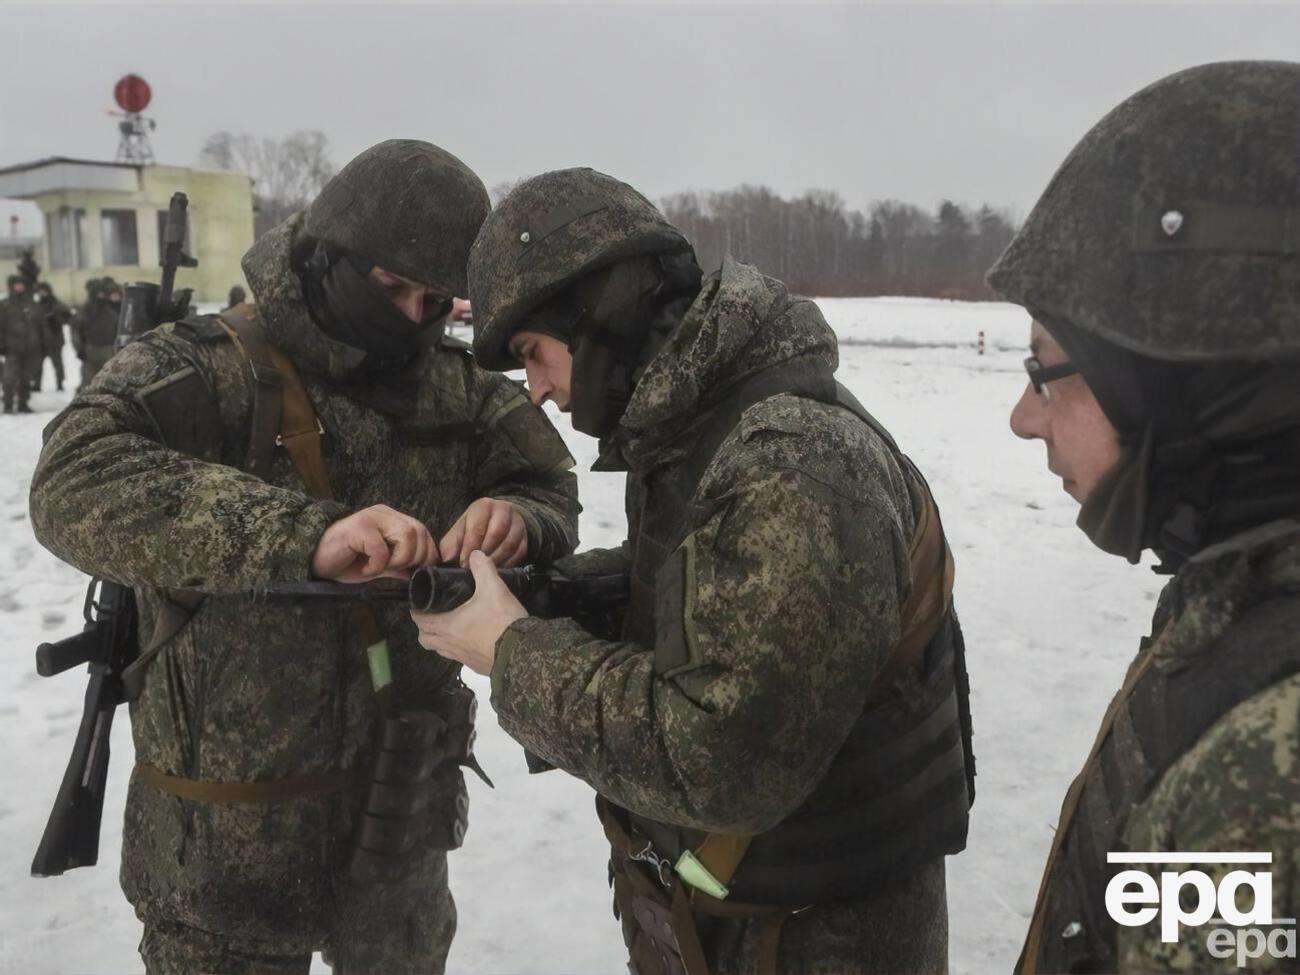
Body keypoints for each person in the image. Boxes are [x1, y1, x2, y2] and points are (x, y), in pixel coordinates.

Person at [29, 139, 580, 974]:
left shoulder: (453, 387)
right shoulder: (202, 366)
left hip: (397, 832)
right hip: (223, 856)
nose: (408, 315)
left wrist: (518, 519)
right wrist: (300, 537)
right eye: (390, 286)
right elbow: (72, 480)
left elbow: (547, 483)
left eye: (434, 300)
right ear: (328, 255)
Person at [413, 168, 975, 974]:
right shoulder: (702, 425)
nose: (535, 391)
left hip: (811, 942)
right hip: (733, 921)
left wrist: (512, 650)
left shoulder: (793, 465)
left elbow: (721, 761)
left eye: (535, 354)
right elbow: (716, 582)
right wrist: (557, 596)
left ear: (600, 313)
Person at [989, 61, 1300, 973]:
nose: (1023, 415)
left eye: (1048, 369)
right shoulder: (1240, 601)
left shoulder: (1270, 778)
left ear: (1188, 378)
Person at [69, 276, 121, 389]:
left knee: (109, 385)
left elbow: (117, 330)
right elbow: (77, 332)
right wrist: (80, 349)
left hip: (109, 351)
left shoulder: (111, 312)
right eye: (98, 293)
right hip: (91, 352)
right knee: (87, 384)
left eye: (103, 293)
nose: (101, 296)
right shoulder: (85, 311)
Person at [1, 274, 42, 413]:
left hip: (29, 348)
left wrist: (40, 342)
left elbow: (38, 324)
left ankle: (23, 403)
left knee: (25, 378)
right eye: (17, 284)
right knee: (9, 379)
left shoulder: (30, 303)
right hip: (11, 348)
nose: (20, 287)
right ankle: (7, 404)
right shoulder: (5, 305)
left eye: (21, 284)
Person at [32, 281, 70, 392]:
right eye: (40, 291)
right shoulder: (37, 306)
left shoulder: (56, 304)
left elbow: (66, 315)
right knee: (37, 365)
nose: (42, 293)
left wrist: (56, 320)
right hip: (40, 341)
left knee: (57, 364)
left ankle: (60, 383)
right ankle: (36, 384)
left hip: (54, 340)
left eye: (44, 291)